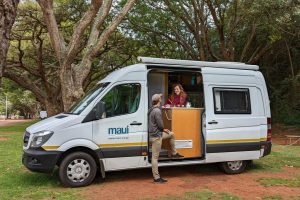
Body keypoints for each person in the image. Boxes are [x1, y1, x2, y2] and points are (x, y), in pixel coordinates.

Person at [148, 94, 184, 183]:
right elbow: (160, 125)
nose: (161, 99)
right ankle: (156, 178)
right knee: (155, 158)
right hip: (156, 136)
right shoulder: (157, 111)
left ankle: (174, 153)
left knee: (171, 134)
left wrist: (164, 130)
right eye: (160, 98)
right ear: (158, 100)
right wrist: (164, 128)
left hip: (156, 134)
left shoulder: (151, 109)